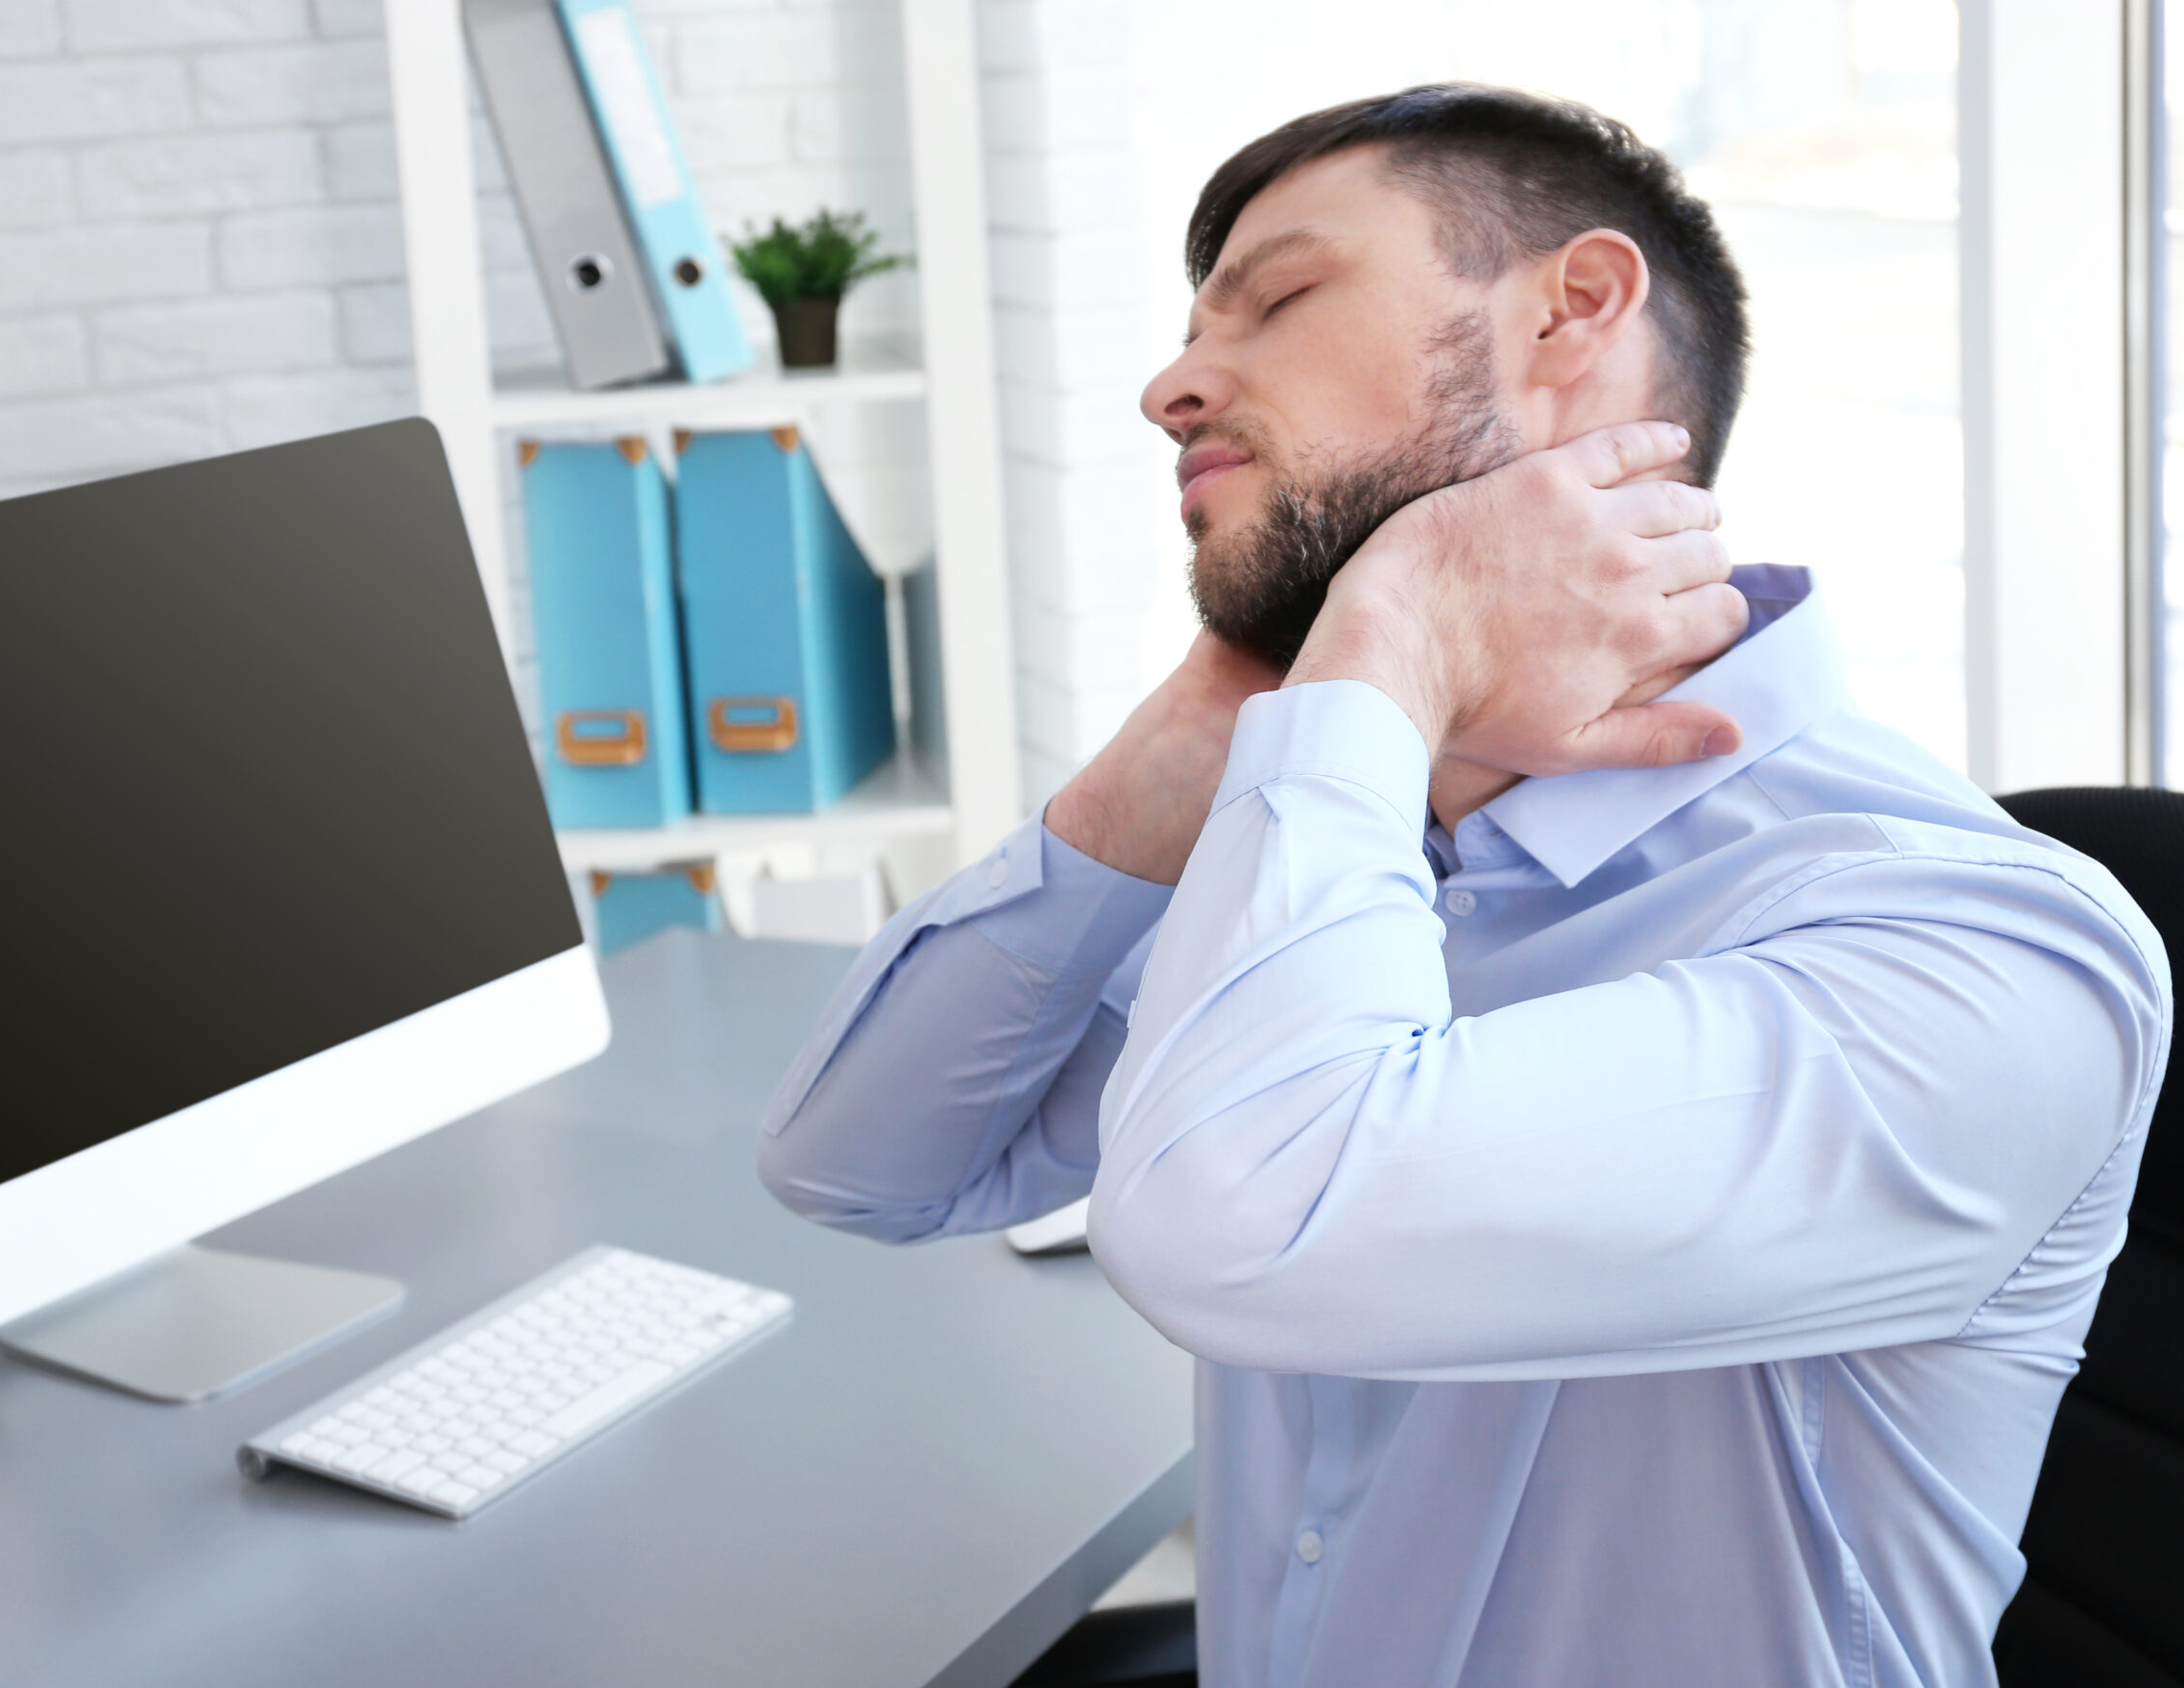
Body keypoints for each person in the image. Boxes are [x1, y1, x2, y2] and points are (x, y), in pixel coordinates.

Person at [757, 84, 2172, 1688]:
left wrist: (1400, 627)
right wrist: (1163, 767)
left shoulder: (1977, 953)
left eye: (1277, 298)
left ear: (1572, 316)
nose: (1169, 386)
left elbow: (1247, 1219)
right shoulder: (1350, 831)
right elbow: (858, 1163)